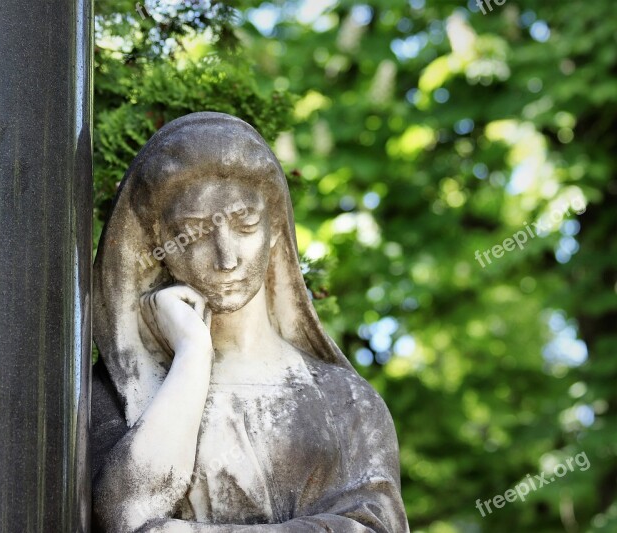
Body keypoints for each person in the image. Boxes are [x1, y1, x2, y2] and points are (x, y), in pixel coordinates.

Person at [91, 112, 409, 532]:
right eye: (195, 231)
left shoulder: (348, 403)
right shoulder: (113, 396)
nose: (227, 258)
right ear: (158, 242)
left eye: (246, 225)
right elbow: (123, 517)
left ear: (275, 227)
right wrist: (192, 355)